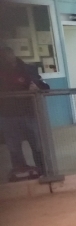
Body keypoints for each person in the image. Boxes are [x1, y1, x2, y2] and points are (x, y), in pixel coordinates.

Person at [0, 45, 49, 181]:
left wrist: (37, 87)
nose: (5, 57)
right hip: (8, 117)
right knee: (13, 148)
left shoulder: (28, 69)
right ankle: (20, 174)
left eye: (6, 54)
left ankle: (43, 172)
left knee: (37, 145)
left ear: (12, 54)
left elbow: (45, 86)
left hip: (29, 114)